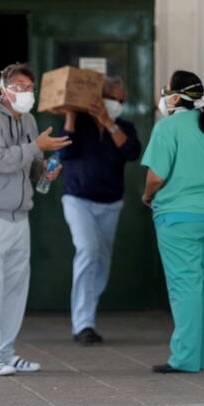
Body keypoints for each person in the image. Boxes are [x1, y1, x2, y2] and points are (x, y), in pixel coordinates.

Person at [0, 63, 72, 376]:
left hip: (19, 213)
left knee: (14, 286)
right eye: (20, 87)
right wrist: (35, 147)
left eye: (30, 88)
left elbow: (30, 164)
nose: (27, 93)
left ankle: (6, 352)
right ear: (4, 90)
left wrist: (46, 170)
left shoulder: (29, 120)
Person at [141, 70, 204, 373]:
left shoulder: (167, 128)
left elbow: (155, 177)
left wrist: (147, 196)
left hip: (179, 217)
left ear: (176, 96)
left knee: (185, 286)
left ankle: (184, 358)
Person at [54, 76, 142, 345]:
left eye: (122, 101)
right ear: (100, 98)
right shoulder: (79, 123)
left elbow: (132, 152)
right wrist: (70, 115)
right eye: (113, 99)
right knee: (88, 250)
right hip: (77, 198)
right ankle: (83, 324)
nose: (118, 104)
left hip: (110, 202)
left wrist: (108, 121)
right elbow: (65, 153)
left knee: (101, 262)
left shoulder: (124, 126)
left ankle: (86, 318)